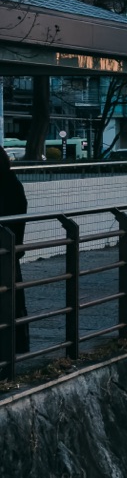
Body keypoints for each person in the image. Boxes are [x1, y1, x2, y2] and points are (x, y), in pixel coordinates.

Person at [0, 146, 27, 354]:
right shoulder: (13, 183)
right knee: (14, 299)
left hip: (4, 248)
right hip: (11, 247)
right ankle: (18, 343)